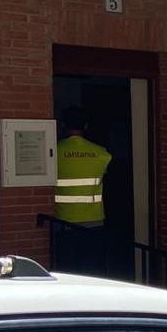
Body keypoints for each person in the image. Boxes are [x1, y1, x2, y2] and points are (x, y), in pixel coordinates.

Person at [53, 107, 112, 273]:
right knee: (93, 271)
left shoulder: (53, 152)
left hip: (63, 222)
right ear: (85, 126)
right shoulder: (101, 153)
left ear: (63, 125)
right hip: (94, 221)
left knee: (67, 271)